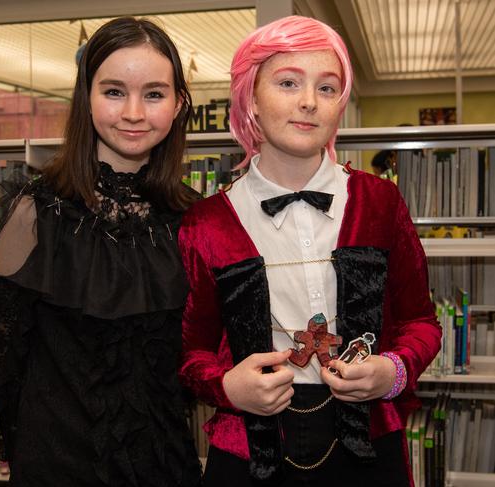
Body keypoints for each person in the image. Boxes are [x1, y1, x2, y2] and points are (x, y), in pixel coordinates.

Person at [178, 15, 441, 487]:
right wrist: (226, 387)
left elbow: (421, 322)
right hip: (247, 450)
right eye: (287, 82)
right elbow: (190, 351)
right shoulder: (206, 222)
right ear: (250, 99)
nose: (308, 102)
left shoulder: (380, 202)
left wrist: (394, 372)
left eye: (327, 88)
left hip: (369, 445)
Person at [0, 17, 201, 487]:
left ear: (177, 106)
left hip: (164, 463)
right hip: (57, 462)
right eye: (114, 91)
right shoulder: (32, 212)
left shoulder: (193, 218)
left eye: (153, 94)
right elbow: (8, 359)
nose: (134, 112)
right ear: (86, 98)